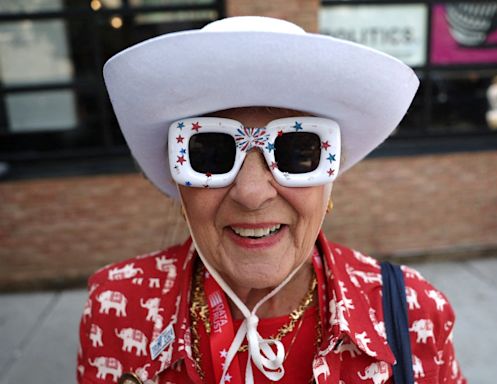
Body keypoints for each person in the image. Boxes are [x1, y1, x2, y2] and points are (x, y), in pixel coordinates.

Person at [77, 16, 466, 384]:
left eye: (297, 152)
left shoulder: (414, 311)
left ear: (329, 180)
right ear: (179, 185)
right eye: (210, 153)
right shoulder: (118, 305)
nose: (251, 193)